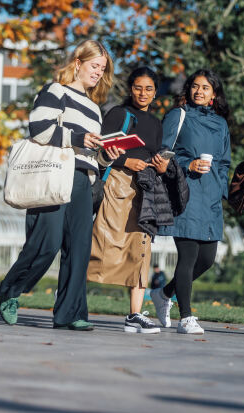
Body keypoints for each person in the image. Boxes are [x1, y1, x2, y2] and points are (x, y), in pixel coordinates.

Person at [0, 40, 122, 331]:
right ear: (78, 63)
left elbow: (91, 153)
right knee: (47, 243)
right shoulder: (55, 91)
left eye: (103, 70)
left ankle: (70, 313)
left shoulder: (94, 108)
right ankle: (11, 290)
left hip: (82, 180)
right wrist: (80, 139)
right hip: (53, 176)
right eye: (95, 66)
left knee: (78, 250)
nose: (98, 74)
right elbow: (39, 130)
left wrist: (106, 155)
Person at [87, 66, 172, 334]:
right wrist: (126, 160)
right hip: (117, 186)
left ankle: (134, 314)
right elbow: (103, 147)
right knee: (103, 243)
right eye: (138, 87)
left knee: (142, 248)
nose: (143, 93)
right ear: (130, 89)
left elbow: (155, 152)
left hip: (145, 189)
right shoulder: (118, 114)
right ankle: (70, 295)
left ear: (155, 92)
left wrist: (161, 166)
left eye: (148, 88)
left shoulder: (156, 123)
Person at [150, 69, 231, 335]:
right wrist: (188, 164)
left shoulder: (220, 124)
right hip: (185, 192)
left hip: (211, 198)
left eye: (205, 88)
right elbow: (162, 153)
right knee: (188, 256)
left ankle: (164, 294)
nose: (199, 91)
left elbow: (224, 162)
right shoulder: (178, 115)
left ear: (214, 94)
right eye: (195, 86)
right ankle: (186, 317)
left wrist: (223, 190)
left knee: (206, 259)